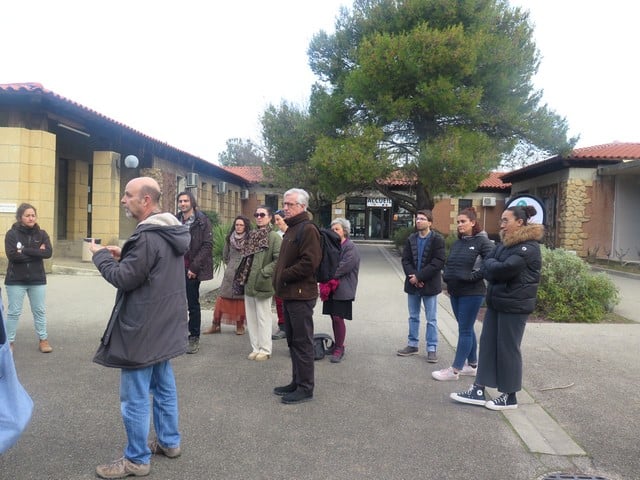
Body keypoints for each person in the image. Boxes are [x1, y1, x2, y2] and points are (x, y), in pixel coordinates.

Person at [89, 177, 189, 479]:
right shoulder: (171, 230)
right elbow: (147, 268)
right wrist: (125, 255)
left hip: (142, 330)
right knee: (164, 387)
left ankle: (136, 459)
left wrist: (101, 256)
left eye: (128, 195)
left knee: (134, 396)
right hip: (163, 326)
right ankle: (170, 443)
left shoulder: (147, 236)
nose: (123, 200)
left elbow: (124, 279)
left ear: (146, 200)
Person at [451, 205, 543, 411]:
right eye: (501, 220)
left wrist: (492, 265)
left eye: (505, 220)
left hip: (515, 306)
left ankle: (509, 396)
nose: (501, 224)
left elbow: (503, 269)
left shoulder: (529, 247)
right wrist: (492, 266)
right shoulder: (505, 245)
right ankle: (478, 389)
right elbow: (489, 267)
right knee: (488, 344)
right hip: (497, 303)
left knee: (508, 349)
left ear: (519, 222)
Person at [432, 207, 494, 381]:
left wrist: (473, 276)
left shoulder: (483, 242)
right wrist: (447, 275)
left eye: (463, 221)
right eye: (458, 221)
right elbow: (450, 263)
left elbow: (489, 265)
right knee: (466, 327)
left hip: (472, 293)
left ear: (473, 222)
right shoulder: (459, 242)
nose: (459, 224)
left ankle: (455, 370)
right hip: (456, 291)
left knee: (464, 330)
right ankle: (472, 364)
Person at [272, 188, 322, 404]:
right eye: (284, 204)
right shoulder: (292, 228)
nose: (285, 208)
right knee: (293, 341)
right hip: (289, 293)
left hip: (301, 295)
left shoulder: (307, 229)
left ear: (302, 206)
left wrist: (283, 275)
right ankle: (296, 381)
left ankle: (305, 388)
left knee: (302, 342)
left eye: (290, 204)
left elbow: (309, 263)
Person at [4, 203, 53, 353]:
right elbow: (12, 256)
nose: (31, 218)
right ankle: (9, 343)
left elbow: (47, 253)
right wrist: (36, 252)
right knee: (13, 312)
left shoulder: (42, 234)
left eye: (33, 215)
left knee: (39, 311)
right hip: (15, 280)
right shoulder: (12, 234)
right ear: (20, 217)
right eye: (27, 215)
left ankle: (43, 340)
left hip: (37, 280)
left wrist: (24, 250)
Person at [397, 210, 445, 362]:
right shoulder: (411, 238)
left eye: (422, 219)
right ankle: (413, 345)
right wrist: (413, 277)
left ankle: (432, 348)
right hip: (413, 284)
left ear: (430, 222)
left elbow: (438, 262)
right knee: (413, 316)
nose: (418, 221)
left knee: (431, 319)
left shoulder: (437, 239)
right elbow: (405, 260)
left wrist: (420, 276)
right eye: (417, 219)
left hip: (429, 285)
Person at [240, 206, 282, 361]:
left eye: (262, 214)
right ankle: (255, 347)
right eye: (256, 214)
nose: (258, 217)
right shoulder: (251, 235)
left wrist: (264, 272)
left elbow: (279, 260)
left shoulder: (274, 237)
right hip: (248, 281)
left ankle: (265, 349)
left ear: (270, 217)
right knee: (251, 318)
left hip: (263, 281)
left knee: (263, 317)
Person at [176, 191, 213, 354]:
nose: (183, 204)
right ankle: (178, 335)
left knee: (192, 304)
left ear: (192, 202)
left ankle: (194, 337)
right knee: (176, 303)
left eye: (185, 201)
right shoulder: (174, 220)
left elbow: (207, 245)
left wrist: (194, 267)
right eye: (180, 201)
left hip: (192, 269)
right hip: (175, 268)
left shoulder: (202, 221)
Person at [203, 216, 251, 335]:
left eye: (241, 225)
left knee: (239, 300)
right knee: (222, 299)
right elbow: (225, 256)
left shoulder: (250, 239)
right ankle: (215, 325)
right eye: (237, 225)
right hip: (230, 274)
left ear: (245, 227)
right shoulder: (229, 239)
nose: (238, 227)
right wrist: (231, 266)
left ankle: (240, 326)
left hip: (243, 273)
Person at [321, 218, 360, 363]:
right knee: (333, 316)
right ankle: (336, 344)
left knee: (338, 318)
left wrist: (327, 274)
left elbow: (344, 267)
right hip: (330, 287)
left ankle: (340, 348)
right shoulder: (331, 246)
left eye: (337, 229)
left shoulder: (350, 247)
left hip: (343, 288)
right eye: (332, 229)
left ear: (344, 231)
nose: (334, 232)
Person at [271, 209, 288, 340]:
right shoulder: (276, 235)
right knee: (279, 301)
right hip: (277, 273)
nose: (276, 223)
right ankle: (282, 327)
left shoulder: (293, 234)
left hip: (290, 273)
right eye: (275, 220)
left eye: (278, 220)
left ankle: (291, 327)